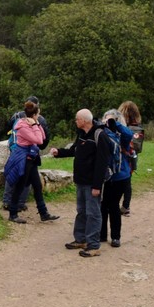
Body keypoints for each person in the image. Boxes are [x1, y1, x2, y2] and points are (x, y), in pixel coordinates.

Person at [50, 109, 114, 258]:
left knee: (93, 213)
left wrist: (97, 186)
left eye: (77, 119)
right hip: (81, 180)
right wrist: (58, 152)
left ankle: (93, 246)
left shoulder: (100, 135)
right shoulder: (82, 134)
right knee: (81, 211)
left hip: (92, 183)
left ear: (85, 120)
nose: (75, 121)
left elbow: (102, 163)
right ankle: (81, 239)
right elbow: (74, 150)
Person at [4, 100, 59, 224]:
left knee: (37, 186)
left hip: (32, 158)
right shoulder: (23, 126)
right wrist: (35, 126)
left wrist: (37, 124)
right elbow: (39, 140)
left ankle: (43, 213)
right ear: (34, 115)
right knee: (20, 185)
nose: (39, 117)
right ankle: (13, 214)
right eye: (38, 115)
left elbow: (43, 137)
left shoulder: (32, 123)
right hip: (24, 159)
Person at [99, 109, 133, 248]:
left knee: (113, 206)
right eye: (106, 118)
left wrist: (115, 123)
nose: (108, 121)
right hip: (105, 175)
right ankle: (101, 234)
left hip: (119, 176)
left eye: (111, 119)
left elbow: (129, 134)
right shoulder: (102, 133)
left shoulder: (121, 135)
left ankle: (115, 237)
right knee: (102, 206)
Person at [117, 100, 143, 215]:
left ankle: (116, 204)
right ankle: (126, 206)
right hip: (133, 156)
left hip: (123, 155)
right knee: (128, 182)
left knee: (119, 181)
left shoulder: (122, 127)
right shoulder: (137, 127)